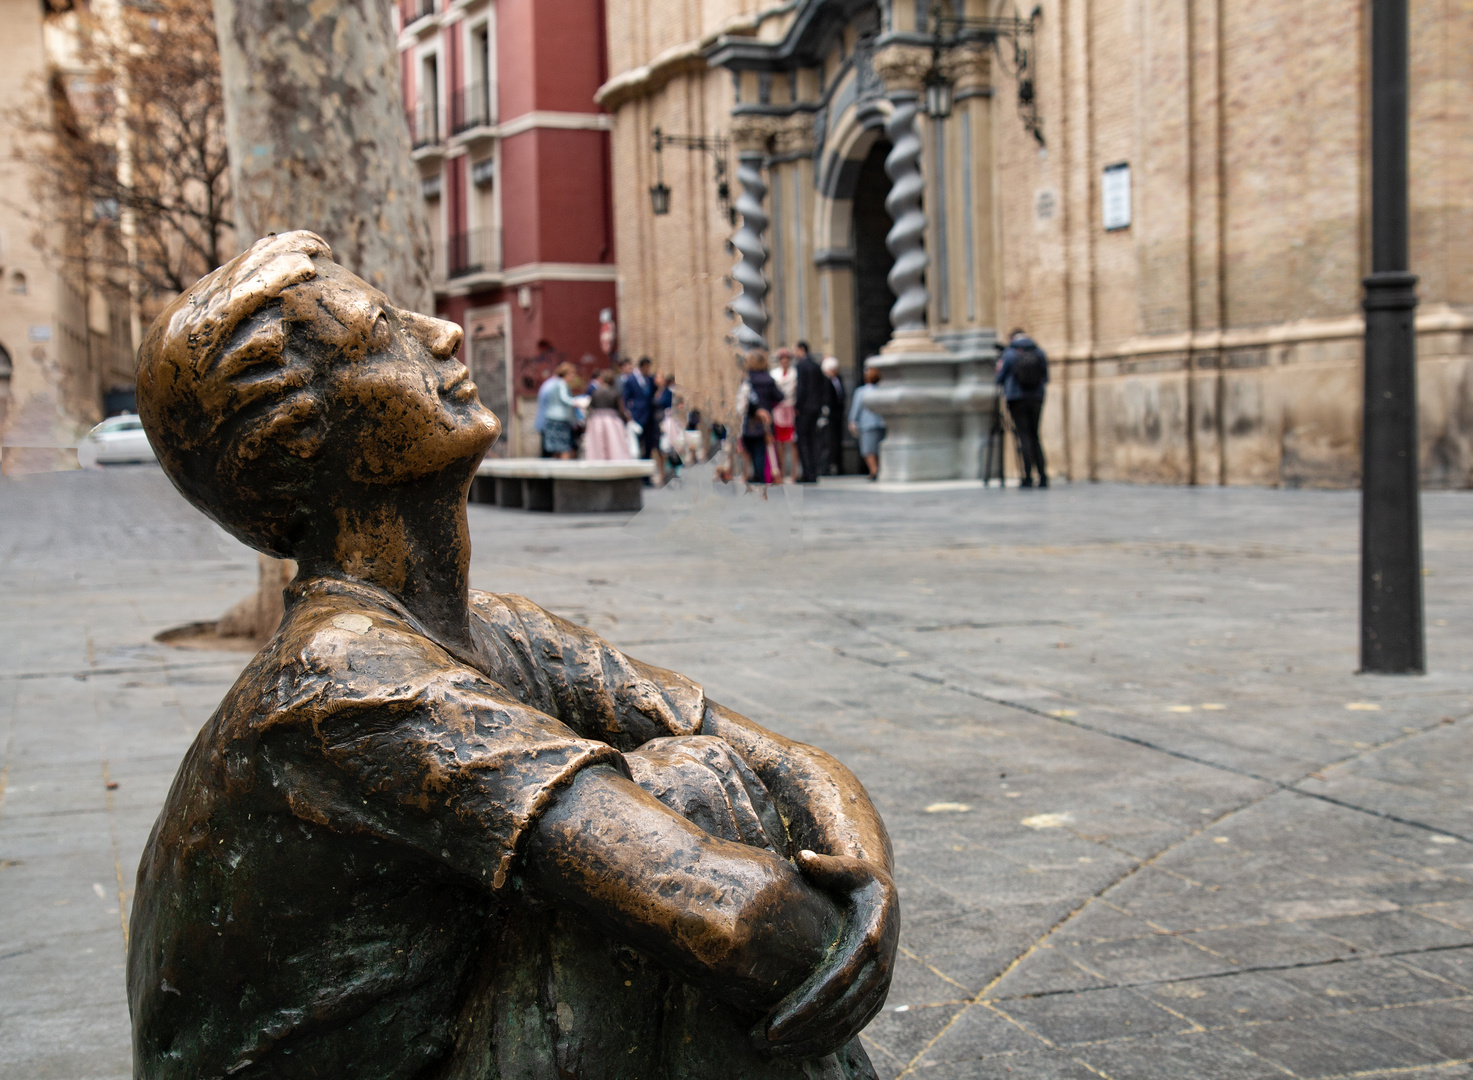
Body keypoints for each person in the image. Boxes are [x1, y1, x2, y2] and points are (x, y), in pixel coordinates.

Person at [128, 232, 896, 1080]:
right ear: (300, 441)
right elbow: (723, 912)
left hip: (450, 1027)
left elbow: (787, 760)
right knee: (689, 791)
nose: (444, 333)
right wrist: (847, 932)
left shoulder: (496, 629)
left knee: (697, 775)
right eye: (379, 334)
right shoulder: (338, 680)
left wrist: (863, 874)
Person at [996, 327, 1050, 488]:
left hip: (1016, 399)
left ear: (1012, 338)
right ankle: (1043, 475)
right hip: (1036, 398)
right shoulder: (1039, 351)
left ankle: (1026, 476)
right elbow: (1046, 377)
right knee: (1035, 435)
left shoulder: (1010, 353)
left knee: (1023, 435)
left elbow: (1000, 378)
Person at [741, 349, 785, 484]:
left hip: (747, 419)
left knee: (749, 448)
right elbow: (780, 396)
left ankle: (755, 474)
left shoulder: (746, 380)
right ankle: (759, 475)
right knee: (761, 449)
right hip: (765, 420)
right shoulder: (768, 379)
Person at [793, 342, 825, 484]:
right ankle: (814, 472)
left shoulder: (801, 366)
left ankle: (808, 473)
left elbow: (801, 389)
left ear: (801, 350)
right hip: (816, 408)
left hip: (804, 408)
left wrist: (797, 406)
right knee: (813, 440)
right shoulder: (816, 365)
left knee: (804, 441)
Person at [582, 368, 630, 460]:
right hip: (612, 420)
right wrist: (625, 420)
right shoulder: (615, 393)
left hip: (597, 421)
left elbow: (589, 407)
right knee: (614, 444)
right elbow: (621, 409)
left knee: (598, 445)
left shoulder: (596, 392)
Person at [848, 367, 886, 480]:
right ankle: (877, 470)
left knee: (868, 449)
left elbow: (856, 407)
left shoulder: (861, 392)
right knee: (878, 449)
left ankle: (874, 471)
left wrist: (852, 420)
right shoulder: (882, 391)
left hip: (867, 423)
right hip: (881, 423)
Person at [624, 356, 658, 466]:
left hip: (649, 416)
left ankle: (646, 473)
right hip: (637, 415)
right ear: (642, 367)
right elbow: (626, 398)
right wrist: (628, 413)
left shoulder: (650, 379)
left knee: (648, 444)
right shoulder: (631, 380)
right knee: (637, 444)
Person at [541, 360, 579, 460]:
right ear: (566, 374)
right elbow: (564, 398)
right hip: (560, 419)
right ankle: (564, 474)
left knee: (555, 449)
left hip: (551, 418)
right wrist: (576, 402)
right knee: (564, 448)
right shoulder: (562, 384)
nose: (573, 377)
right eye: (572, 374)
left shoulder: (554, 383)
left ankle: (554, 473)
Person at [770, 348, 798, 481]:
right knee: (780, 442)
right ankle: (780, 472)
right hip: (779, 409)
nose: (785, 362)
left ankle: (793, 472)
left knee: (792, 441)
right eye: (782, 359)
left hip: (791, 408)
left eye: (787, 359)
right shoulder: (774, 374)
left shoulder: (795, 373)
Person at [821, 356, 846, 475]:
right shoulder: (825, 381)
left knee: (837, 441)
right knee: (828, 442)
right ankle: (827, 466)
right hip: (829, 416)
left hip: (838, 415)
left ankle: (838, 465)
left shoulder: (839, 379)